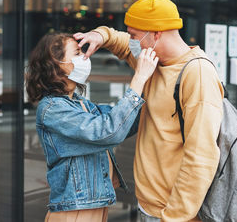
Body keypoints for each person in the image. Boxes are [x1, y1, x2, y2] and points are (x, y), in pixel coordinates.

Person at [74, 0, 224, 222]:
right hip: (148, 205)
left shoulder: (197, 74)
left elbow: (201, 156)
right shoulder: (152, 58)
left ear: (156, 33)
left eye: (135, 35)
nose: (131, 42)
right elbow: (119, 40)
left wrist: (173, 217)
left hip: (170, 213)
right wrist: (99, 35)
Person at [25, 32, 158, 222]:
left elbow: (124, 123)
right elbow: (108, 131)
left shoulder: (81, 104)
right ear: (56, 64)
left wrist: (151, 83)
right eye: (77, 53)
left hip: (93, 204)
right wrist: (138, 80)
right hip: (75, 210)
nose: (84, 58)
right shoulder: (52, 109)